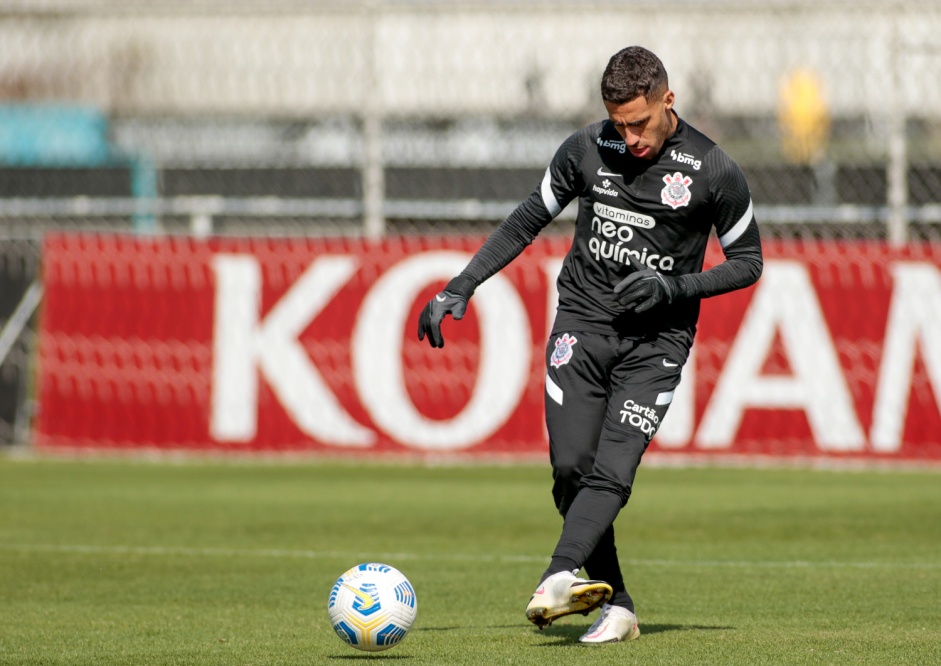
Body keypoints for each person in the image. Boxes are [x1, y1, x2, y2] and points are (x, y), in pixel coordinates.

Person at [417, 46, 762, 644]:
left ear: (668, 99)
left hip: (658, 341)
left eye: (640, 122)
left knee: (613, 468)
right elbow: (527, 219)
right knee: (571, 469)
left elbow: (749, 262)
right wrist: (460, 285)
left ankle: (558, 574)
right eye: (618, 123)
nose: (629, 137)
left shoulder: (713, 170)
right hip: (581, 322)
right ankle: (619, 607)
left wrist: (675, 285)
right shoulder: (584, 148)